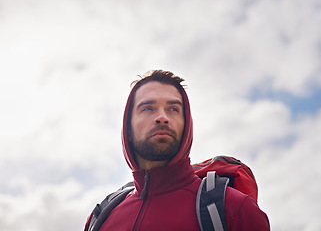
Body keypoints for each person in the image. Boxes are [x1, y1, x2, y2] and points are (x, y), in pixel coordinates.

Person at [84, 70, 270, 230]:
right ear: (128, 128)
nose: (162, 117)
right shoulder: (100, 219)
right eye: (148, 108)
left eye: (173, 109)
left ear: (186, 124)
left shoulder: (235, 209)